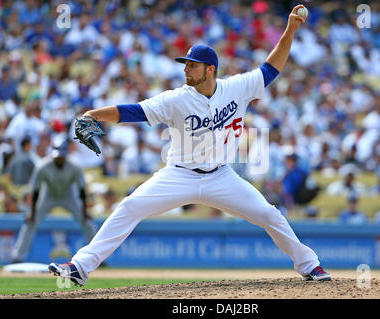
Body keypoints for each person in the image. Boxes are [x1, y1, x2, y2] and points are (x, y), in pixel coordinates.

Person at [48, 5, 332, 286]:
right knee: (130, 206)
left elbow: (271, 68)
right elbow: (132, 111)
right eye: (185, 64)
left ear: (210, 70)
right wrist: (94, 114)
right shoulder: (176, 98)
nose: (186, 69)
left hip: (221, 176)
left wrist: (290, 31)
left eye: (192, 65)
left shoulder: (236, 87)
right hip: (178, 175)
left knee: (269, 214)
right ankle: (79, 267)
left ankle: (310, 266)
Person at [11, 138, 96, 263]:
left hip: (69, 195)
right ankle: (17, 257)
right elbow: (35, 191)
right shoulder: (42, 166)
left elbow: (81, 190)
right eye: (57, 157)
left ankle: (98, 256)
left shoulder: (75, 166)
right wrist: (32, 213)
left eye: (62, 157)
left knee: (87, 222)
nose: (60, 159)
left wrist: (84, 211)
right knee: (30, 222)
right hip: (48, 194)